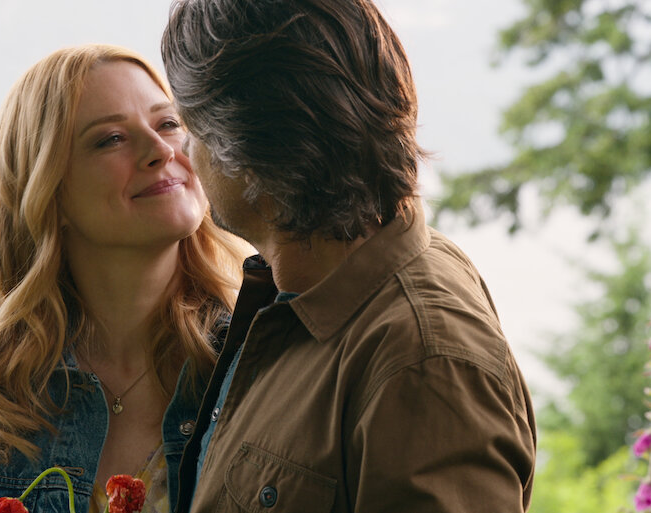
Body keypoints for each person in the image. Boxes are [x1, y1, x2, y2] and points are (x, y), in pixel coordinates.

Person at [161, 1, 538, 512]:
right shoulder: (307, 290)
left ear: (249, 148)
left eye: (192, 130)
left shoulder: (422, 362)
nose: (186, 154)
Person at [0, 44, 247, 513]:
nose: (161, 149)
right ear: (47, 189)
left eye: (168, 123)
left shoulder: (254, 366)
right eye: (111, 139)